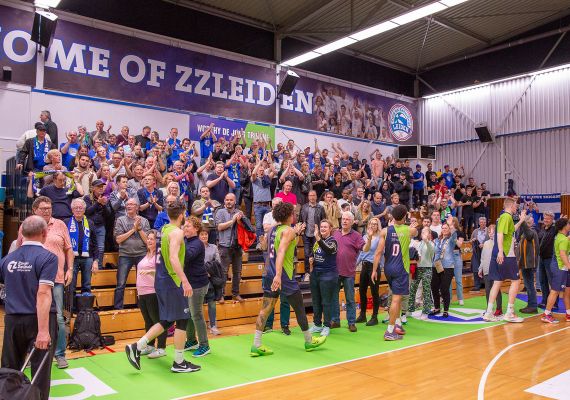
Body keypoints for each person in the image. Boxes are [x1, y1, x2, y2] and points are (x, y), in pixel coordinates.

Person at [125, 200, 201, 373]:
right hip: (172, 281)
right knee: (182, 319)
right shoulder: (177, 232)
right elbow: (173, 258)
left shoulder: (163, 230)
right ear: (182, 215)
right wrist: (185, 281)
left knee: (168, 320)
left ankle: (138, 346)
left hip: (160, 280)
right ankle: (178, 362)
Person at [250, 202, 326, 356]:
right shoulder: (288, 231)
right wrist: (279, 275)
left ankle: (256, 345)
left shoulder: (272, 229)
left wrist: (295, 233)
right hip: (283, 276)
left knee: (265, 309)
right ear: (289, 215)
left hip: (269, 274)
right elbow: (281, 252)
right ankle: (309, 341)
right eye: (293, 213)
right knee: (299, 308)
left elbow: (266, 247)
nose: (295, 215)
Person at [1, 216, 58, 400]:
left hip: (13, 320)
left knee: (9, 371)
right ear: (44, 233)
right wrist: (43, 331)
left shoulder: (7, 259)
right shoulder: (48, 257)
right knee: (40, 374)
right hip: (38, 320)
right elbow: (43, 294)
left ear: (22, 233)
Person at [16, 197, 73, 369]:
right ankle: (29, 353)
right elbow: (19, 250)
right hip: (31, 279)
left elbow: (68, 249)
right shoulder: (26, 225)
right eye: (43, 208)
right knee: (31, 317)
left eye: (49, 208)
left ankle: (60, 354)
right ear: (34, 210)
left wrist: (70, 269)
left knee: (58, 318)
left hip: (56, 278)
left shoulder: (60, 225)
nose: (47, 211)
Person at [372, 205, 417, 340]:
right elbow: (415, 231)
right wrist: (412, 224)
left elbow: (378, 252)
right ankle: (390, 331)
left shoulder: (385, 231)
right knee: (397, 299)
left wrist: (374, 270)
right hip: (401, 268)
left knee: (396, 297)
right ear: (404, 217)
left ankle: (397, 324)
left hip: (388, 268)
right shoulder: (409, 230)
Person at [483, 199, 527, 322]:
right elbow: (500, 234)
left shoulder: (504, 217)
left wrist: (521, 220)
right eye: (515, 206)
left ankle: (489, 313)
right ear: (511, 206)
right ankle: (510, 312)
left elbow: (511, 231)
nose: (516, 208)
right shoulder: (506, 217)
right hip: (506, 254)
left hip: (500, 253)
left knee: (497, 282)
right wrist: (501, 251)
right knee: (516, 281)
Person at [182, 217, 211, 357]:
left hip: (198, 284)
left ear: (196, 229)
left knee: (196, 315)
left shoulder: (197, 243)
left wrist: (177, 244)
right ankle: (191, 340)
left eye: (188, 226)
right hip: (188, 284)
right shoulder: (186, 240)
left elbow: (186, 256)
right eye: (184, 226)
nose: (185, 228)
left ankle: (204, 345)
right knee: (188, 313)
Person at [136, 229, 167, 359]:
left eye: (152, 239)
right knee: (148, 321)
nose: (149, 241)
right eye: (148, 238)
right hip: (142, 293)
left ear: (157, 241)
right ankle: (150, 346)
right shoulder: (146, 255)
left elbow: (163, 272)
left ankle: (161, 348)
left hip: (153, 292)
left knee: (157, 321)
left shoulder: (159, 256)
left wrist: (150, 272)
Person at [113, 198, 150, 309]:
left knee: (142, 283)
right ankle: (118, 308)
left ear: (137, 207)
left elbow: (147, 241)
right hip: (125, 255)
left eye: (131, 204)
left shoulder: (144, 221)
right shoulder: (120, 220)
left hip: (142, 254)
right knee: (120, 283)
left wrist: (139, 229)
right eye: (127, 204)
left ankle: (142, 307)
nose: (128, 206)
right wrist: (133, 230)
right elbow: (118, 239)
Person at [332, 211, 365, 332]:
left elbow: (365, 248)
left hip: (349, 272)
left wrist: (370, 238)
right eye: (343, 219)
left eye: (347, 219)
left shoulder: (356, 236)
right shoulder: (335, 233)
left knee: (350, 299)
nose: (344, 221)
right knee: (333, 298)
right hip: (335, 271)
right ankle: (335, 321)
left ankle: (351, 322)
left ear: (352, 222)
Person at [65, 198, 99, 311]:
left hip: (88, 258)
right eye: (76, 208)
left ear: (84, 210)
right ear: (72, 210)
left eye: (80, 208)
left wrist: (96, 260)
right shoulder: (66, 222)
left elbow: (95, 243)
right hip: (72, 258)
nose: (78, 210)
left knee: (87, 285)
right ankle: (71, 309)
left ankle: (85, 310)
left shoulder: (90, 223)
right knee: (71, 285)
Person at [214, 193, 245, 302]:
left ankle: (235, 293)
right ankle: (221, 295)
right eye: (227, 200)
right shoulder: (220, 212)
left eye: (231, 200)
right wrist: (233, 221)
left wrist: (240, 221)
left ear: (235, 201)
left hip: (237, 246)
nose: (229, 202)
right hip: (224, 246)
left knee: (237, 272)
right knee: (223, 272)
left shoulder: (239, 213)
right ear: (224, 201)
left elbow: (244, 228)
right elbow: (219, 227)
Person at [541, 217, 570, 323]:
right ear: (564, 226)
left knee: (567, 291)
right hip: (560, 268)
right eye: (568, 224)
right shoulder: (562, 239)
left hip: (562, 267)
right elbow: (562, 254)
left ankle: (568, 314)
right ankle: (546, 314)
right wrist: (569, 266)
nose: (569, 225)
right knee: (555, 291)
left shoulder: (561, 236)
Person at [429, 215, 457, 318]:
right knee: (434, 287)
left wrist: (451, 225)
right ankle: (437, 308)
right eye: (443, 228)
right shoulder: (437, 240)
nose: (444, 229)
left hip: (447, 266)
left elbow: (454, 235)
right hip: (436, 265)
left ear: (449, 229)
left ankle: (445, 309)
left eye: (446, 228)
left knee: (444, 288)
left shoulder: (451, 240)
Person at [356, 218, 382, 325]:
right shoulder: (364, 237)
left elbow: (380, 254)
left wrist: (377, 268)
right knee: (362, 290)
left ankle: (374, 317)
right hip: (364, 266)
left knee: (374, 292)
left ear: (378, 226)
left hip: (373, 267)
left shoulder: (380, 238)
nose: (372, 225)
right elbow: (361, 253)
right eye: (371, 223)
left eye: (375, 224)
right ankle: (362, 315)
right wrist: (355, 265)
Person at [408, 226, 435, 320]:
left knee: (426, 290)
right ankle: (409, 309)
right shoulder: (418, 243)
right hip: (418, 268)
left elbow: (431, 252)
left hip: (427, 269)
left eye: (425, 232)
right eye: (422, 232)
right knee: (413, 288)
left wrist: (426, 241)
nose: (423, 234)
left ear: (429, 234)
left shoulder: (431, 243)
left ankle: (425, 311)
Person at [199, 229, 223, 335]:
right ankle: (201, 326)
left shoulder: (213, 247)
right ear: (198, 236)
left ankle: (213, 326)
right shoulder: (195, 248)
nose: (204, 236)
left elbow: (218, 262)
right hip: (199, 279)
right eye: (202, 234)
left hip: (211, 279)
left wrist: (209, 270)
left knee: (212, 303)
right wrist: (204, 271)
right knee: (199, 304)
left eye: (206, 234)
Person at [299, 190, 326, 281]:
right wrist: (301, 228)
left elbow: (324, 221)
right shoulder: (304, 207)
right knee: (307, 254)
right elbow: (300, 220)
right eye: (310, 195)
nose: (312, 197)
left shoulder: (320, 208)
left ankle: (315, 272)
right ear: (308, 197)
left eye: (313, 195)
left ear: (316, 196)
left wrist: (321, 232)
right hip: (306, 234)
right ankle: (307, 273)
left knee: (315, 254)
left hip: (316, 234)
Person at [517, 215, 540, 314]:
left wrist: (522, 221)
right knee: (528, 285)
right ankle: (531, 304)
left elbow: (528, 234)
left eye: (529, 221)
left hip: (529, 263)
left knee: (529, 285)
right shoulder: (525, 233)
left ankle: (533, 306)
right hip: (525, 263)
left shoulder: (531, 232)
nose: (530, 223)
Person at [83, 179, 109, 268]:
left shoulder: (104, 198)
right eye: (98, 187)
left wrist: (104, 205)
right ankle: (89, 267)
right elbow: (87, 212)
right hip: (89, 227)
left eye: (102, 187)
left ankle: (99, 267)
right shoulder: (87, 198)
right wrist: (98, 203)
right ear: (93, 188)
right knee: (89, 247)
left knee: (101, 248)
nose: (101, 188)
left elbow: (108, 214)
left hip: (100, 226)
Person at [479, 225, 503, 317]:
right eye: (489, 232)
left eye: (493, 232)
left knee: (496, 289)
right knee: (488, 290)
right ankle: (489, 308)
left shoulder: (499, 243)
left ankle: (499, 309)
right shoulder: (486, 243)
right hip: (486, 269)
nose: (491, 234)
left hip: (496, 270)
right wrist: (480, 268)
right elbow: (483, 257)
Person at [537, 211, 556, 308]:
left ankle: (554, 303)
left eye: (548, 218)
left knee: (552, 281)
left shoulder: (554, 229)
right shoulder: (542, 228)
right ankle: (545, 300)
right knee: (542, 280)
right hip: (541, 258)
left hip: (550, 258)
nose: (545, 220)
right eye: (544, 218)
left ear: (552, 219)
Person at [469, 216, 489, 293]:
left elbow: (492, 240)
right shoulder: (475, 231)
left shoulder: (489, 230)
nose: (483, 224)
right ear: (479, 223)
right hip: (476, 252)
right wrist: (472, 240)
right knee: (475, 268)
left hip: (486, 252)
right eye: (481, 222)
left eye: (484, 222)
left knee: (485, 268)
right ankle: (477, 286)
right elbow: (470, 241)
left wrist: (484, 244)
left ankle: (485, 284)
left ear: (486, 223)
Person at [450, 217, 465, 306]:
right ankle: (449, 298)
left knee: (458, 279)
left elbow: (459, 245)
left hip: (456, 255)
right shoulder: (447, 232)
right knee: (448, 280)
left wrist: (454, 236)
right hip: (448, 255)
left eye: (450, 222)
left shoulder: (460, 233)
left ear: (454, 223)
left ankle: (460, 298)